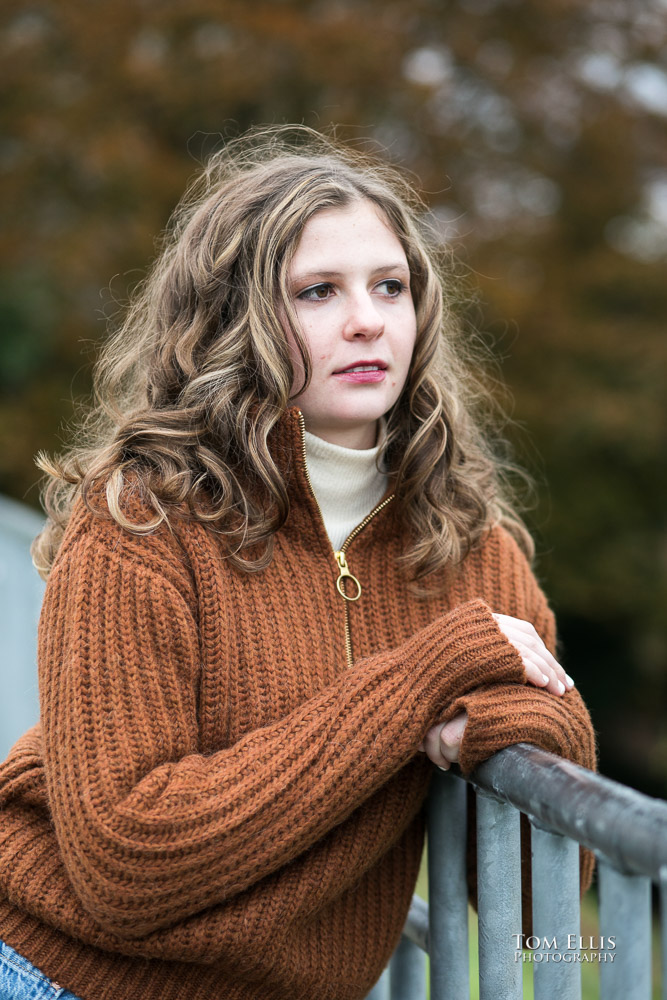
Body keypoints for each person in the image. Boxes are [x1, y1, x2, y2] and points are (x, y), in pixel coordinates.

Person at [0, 126, 595, 1000]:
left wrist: (532, 732)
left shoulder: (468, 547)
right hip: (59, 977)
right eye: (317, 291)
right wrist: (416, 685)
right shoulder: (142, 522)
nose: (367, 318)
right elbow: (128, 865)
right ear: (235, 320)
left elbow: (542, 901)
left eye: (389, 286)